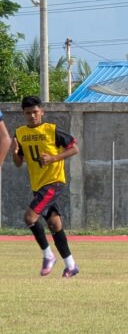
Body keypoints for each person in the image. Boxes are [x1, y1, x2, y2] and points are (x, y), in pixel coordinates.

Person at [12, 96, 80, 278]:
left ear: (42, 111)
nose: (32, 116)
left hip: (54, 182)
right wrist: (14, 152)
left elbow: (74, 148)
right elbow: (18, 163)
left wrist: (53, 158)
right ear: (23, 114)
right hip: (38, 184)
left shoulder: (51, 130)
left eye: (35, 112)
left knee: (29, 217)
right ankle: (71, 265)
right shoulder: (20, 133)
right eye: (28, 113)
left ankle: (48, 255)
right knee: (54, 224)